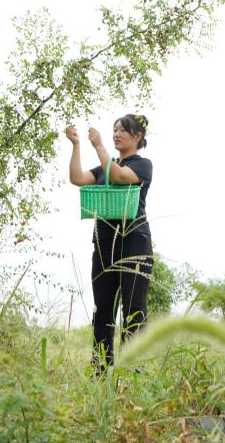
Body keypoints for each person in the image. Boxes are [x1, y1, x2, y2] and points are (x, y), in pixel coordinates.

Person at [65, 114, 154, 371]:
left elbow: (118, 176)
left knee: (133, 308)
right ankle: (100, 371)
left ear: (137, 136)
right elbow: (77, 178)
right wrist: (77, 145)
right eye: (114, 130)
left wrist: (98, 145)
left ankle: (132, 371)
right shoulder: (105, 167)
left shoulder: (142, 165)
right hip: (104, 244)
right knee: (103, 309)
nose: (116, 134)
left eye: (123, 130)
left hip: (135, 242)